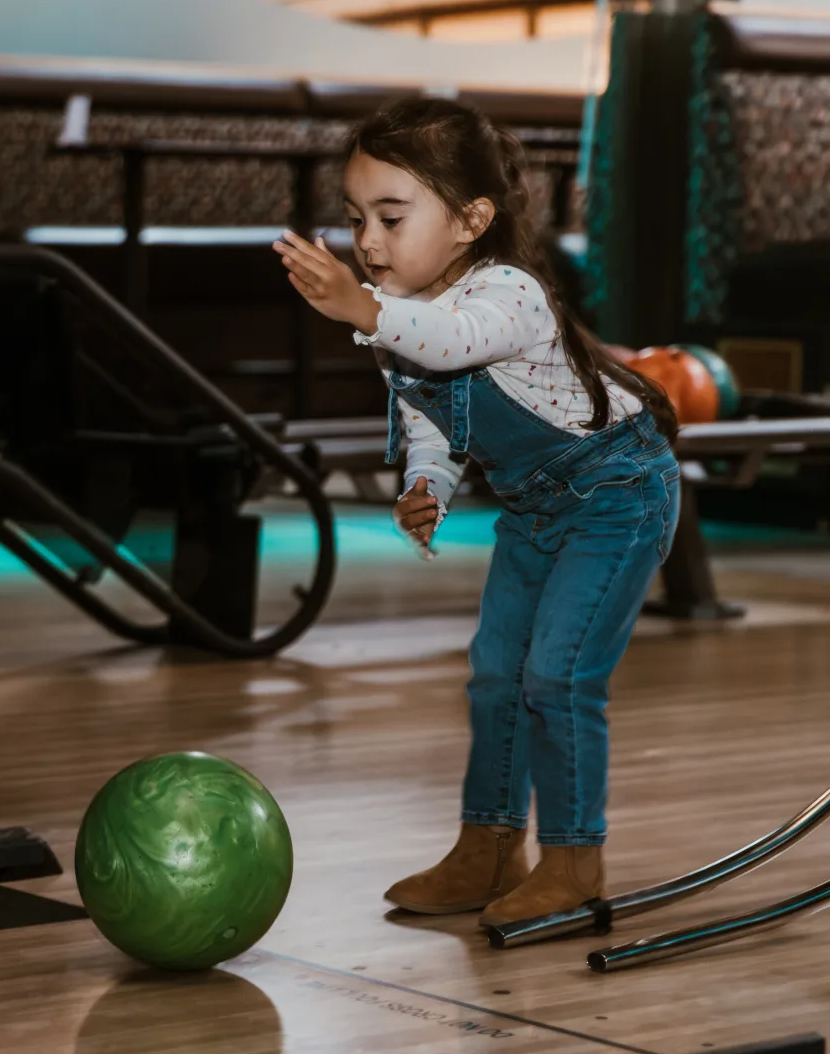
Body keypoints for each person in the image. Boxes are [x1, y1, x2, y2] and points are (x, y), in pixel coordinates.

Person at [273, 97, 680, 928]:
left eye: (392, 216)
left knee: (557, 677)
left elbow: (450, 345)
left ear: (471, 220)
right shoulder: (402, 322)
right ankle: (490, 847)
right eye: (356, 219)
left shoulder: (509, 294)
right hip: (535, 510)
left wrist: (360, 307)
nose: (369, 242)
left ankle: (575, 861)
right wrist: (428, 486)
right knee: (496, 674)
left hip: (615, 495)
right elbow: (433, 419)